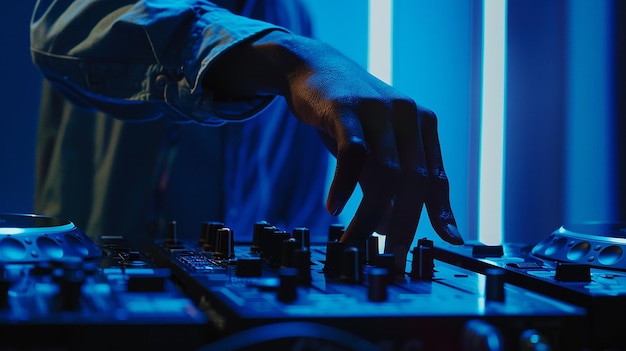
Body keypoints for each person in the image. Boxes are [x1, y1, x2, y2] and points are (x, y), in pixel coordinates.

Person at [29, 0, 463, 274]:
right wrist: (283, 59)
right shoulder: (298, 51)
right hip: (93, 303)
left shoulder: (292, 17)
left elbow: (299, 210)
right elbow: (57, 24)